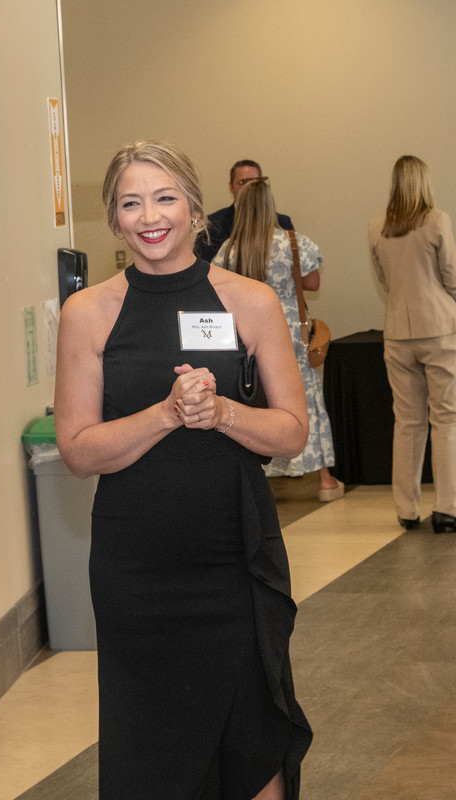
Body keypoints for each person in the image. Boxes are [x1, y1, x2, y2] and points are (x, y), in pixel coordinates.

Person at [54, 140, 312, 799]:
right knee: (153, 752)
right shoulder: (88, 313)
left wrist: (223, 412)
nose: (150, 217)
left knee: (254, 738)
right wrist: (166, 414)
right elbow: (78, 451)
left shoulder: (249, 302)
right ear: (113, 219)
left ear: (197, 209)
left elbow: (291, 433)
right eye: (130, 203)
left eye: (165, 198)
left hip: (234, 559)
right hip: (136, 571)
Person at [212, 178, 343, 501]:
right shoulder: (293, 243)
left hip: (246, 336)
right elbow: (312, 283)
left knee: (258, 401)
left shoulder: (228, 250)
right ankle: (325, 481)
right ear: (271, 207)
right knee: (307, 401)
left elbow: (217, 291)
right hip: (291, 333)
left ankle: (264, 478)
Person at [369, 155, 456, 533]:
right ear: (423, 182)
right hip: (439, 329)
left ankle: (406, 510)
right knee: (447, 418)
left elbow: (384, 280)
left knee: (407, 421)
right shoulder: (437, 219)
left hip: (397, 332)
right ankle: (448, 508)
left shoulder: (376, 226)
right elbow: (452, 277)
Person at [196, 159, 294, 264]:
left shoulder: (283, 222)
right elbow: (202, 266)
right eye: (243, 182)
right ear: (231, 187)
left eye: (255, 182)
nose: (250, 188)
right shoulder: (213, 224)